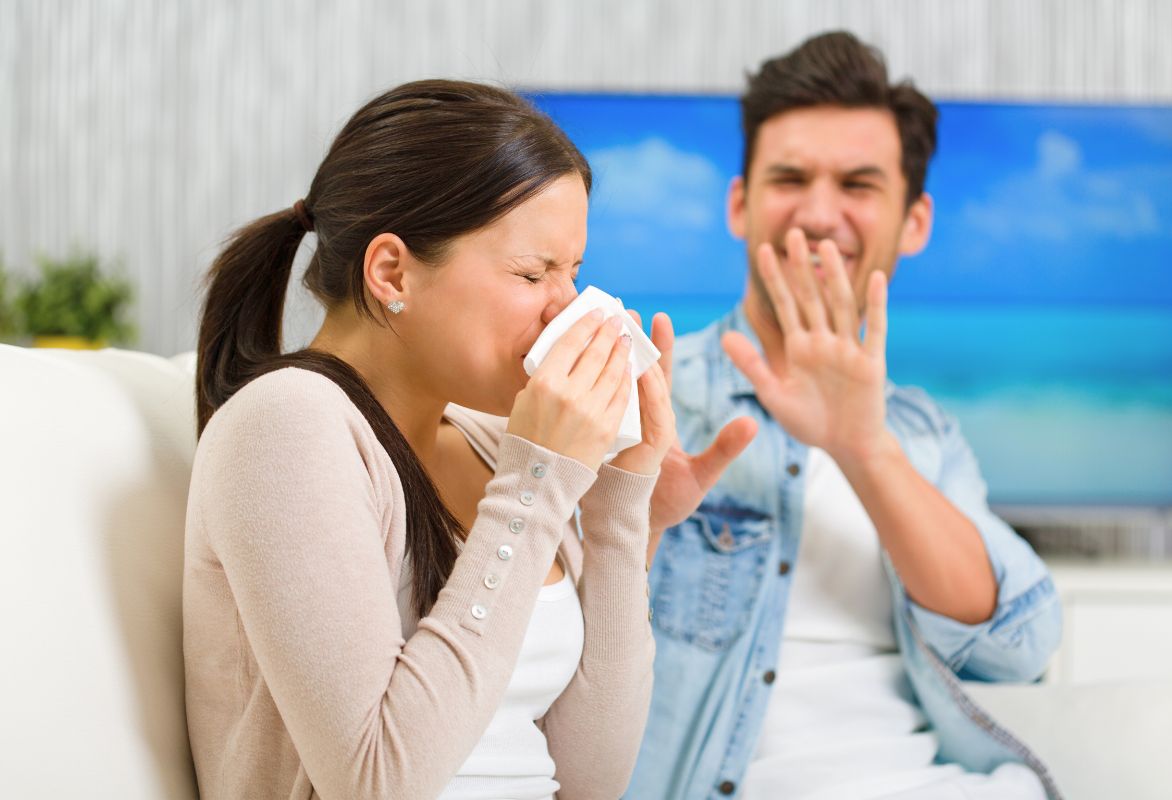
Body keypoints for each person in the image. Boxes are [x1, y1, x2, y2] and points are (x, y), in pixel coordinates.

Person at [184, 80, 711, 800]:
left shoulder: (500, 447)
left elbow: (591, 781)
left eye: (575, 274)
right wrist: (536, 486)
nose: (573, 309)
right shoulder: (287, 423)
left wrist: (622, 506)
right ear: (391, 272)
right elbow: (377, 781)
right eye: (533, 273)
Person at [628, 32, 1063, 800]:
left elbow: (1019, 648)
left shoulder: (923, 438)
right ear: (740, 204)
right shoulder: (645, 394)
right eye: (790, 178)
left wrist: (864, 447)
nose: (819, 213)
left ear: (915, 222)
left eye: (859, 185)